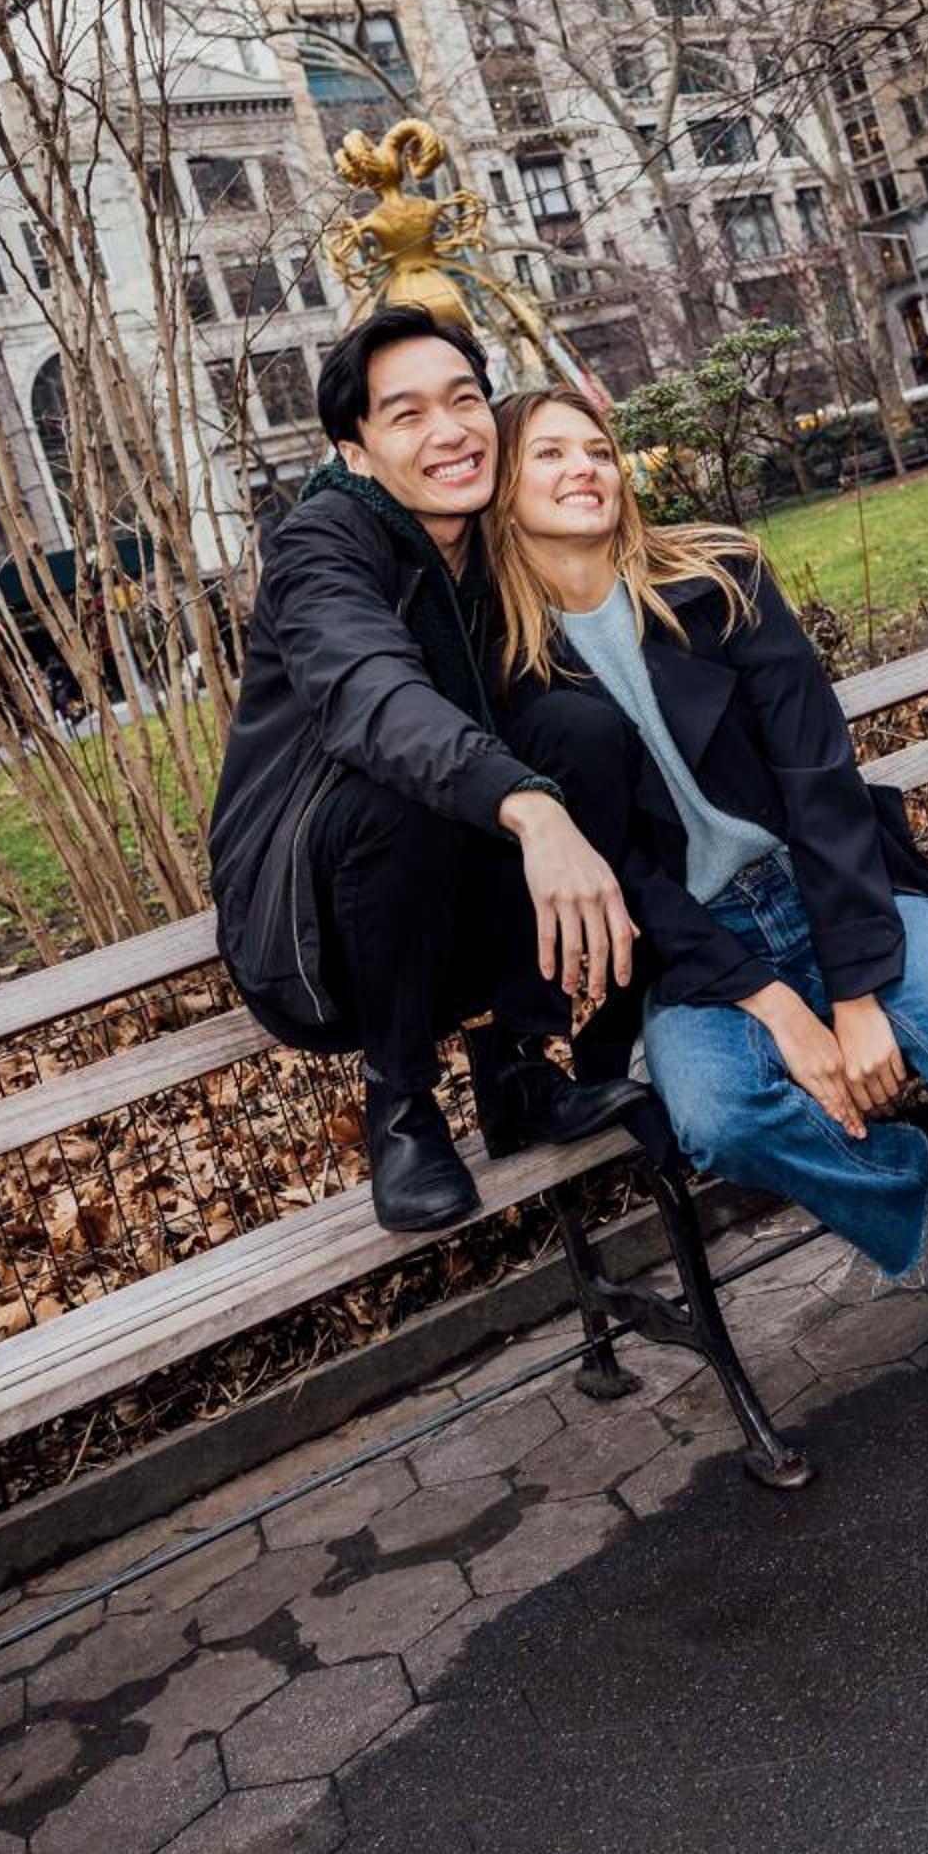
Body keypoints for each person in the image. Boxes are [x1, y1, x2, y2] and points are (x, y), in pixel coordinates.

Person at [485, 385, 928, 1381]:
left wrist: (853, 993)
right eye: (549, 453)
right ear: (501, 487)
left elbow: (820, 784)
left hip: (828, 886)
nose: (584, 467)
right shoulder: (509, 674)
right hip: (693, 944)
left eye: (597, 448)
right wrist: (776, 1006)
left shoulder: (719, 579)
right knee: (719, 1119)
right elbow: (621, 875)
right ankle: (927, 1194)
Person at [208, 309, 650, 1237]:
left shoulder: (489, 539)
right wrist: (532, 809)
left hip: (452, 903)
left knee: (577, 728)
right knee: (397, 793)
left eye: (464, 400)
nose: (449, 431)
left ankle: (518, 1067)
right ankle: (402, 1108)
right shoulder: (319, 547)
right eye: (406, 415)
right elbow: (375, 700)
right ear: (356, 452)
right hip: (316, 919)